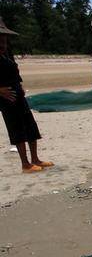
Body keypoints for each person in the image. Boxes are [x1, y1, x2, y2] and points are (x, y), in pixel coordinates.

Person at [0, 16, 53, 173]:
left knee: (30, 126)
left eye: (4, 40)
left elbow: (15, 73)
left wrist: (20, 85)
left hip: (17, 93)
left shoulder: (7, 54)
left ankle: (35, 159)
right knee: (16, 129)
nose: (2, 43)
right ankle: (25, 164)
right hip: (6, 98)